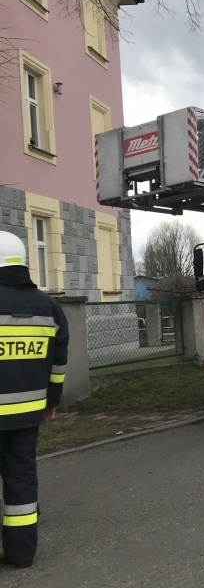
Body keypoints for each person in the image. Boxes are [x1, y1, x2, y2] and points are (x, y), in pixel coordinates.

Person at [0, 231, 68, 569]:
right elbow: (58, 366)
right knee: (22, 478)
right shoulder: (49, 307)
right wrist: (51, 402)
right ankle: (21, 553)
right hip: (29, 414)